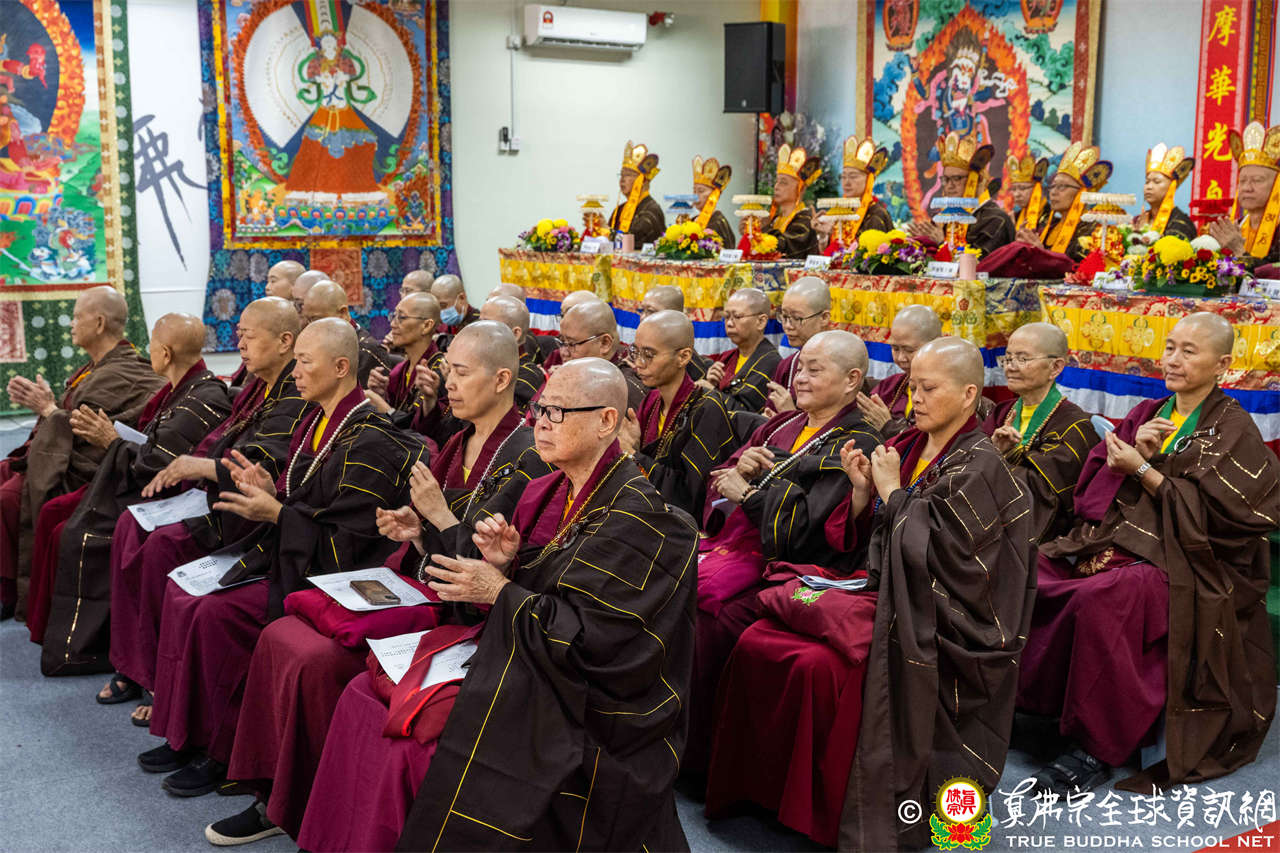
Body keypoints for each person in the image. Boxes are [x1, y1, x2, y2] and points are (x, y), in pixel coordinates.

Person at [295, 358, 698, 852]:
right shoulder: (546, 489)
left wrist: (499, 589)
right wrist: (504, 566)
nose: (541, 423)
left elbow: (594, 642)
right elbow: (543, 594)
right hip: (529, 657)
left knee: (415, 742)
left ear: (606, 421)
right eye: (540, 410)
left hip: (588, 702)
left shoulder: (646, 521)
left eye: (557, 412)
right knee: (362, 694)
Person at [205, 321, 550, 845]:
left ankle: (297, 802)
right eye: (448, 371)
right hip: (420, 580)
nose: (448, 384)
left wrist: (437, 518)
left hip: (463, 608)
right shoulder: (458, 440)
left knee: (314, 661)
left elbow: (495, 564)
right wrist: (415, 529)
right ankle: (273, 791)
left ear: (502, 379)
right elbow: (433, 534)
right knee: (282, 634)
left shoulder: (524, 456)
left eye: (461, 373)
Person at [715, 337, 1034, 850]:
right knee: (759, 640)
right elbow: (869, 539)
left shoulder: (981, 467)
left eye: (929, 389)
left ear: (969, 394)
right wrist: (864, 493)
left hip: (935, 616)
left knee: (817, 666)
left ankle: (834, 811)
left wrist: (891, 494)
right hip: (881, 591)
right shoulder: (906, 444)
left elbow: (953, 564)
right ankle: (766, 797)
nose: (915, 399)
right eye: (912, 388)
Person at [137, 319, 424, 798]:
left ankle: (223, 754)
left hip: (327, 574)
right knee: (195, 600)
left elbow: (352, 540)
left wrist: (277, 512)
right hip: (290, 554)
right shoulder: (316, 421)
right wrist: (275, 494)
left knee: (217, 615)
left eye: (305, 362)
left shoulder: (371, 440)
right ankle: (197, 738)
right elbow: (308, 502)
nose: (295, 373)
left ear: (340, 367)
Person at [1018, 313, 1278, 797]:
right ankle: (1036, 710)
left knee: (1109, 599)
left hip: (1189, 562)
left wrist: (1143, 470)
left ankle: (1094, 747)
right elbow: (1090, 495)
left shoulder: (1234, 429)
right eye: (1170, 347)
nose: (1173, 360)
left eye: (1189, 351)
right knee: (1029, 570)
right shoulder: (1147, 412)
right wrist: (1130, 455)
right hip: (1114, 540)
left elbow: (1232, 519)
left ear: (1222, 364)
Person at [102, 297, 311, 725]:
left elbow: (265, 462)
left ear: (285, 341)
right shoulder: (257, 385)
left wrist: (201, 467)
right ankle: (136, 667)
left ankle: (160, 682)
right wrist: (195, 465)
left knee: (160, 547)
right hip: (215, 496)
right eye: (239, 335)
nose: (241, 345)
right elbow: (223, 437)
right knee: (130, 523)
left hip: (247, 516)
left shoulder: (296, 392)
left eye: (249, 336)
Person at [689, 331, 882, 773]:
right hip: (733, 546)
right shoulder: (780, 425)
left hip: (789, 569)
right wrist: (739, 471)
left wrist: (750, 495)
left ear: (852, 380)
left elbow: (813, 531)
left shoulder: (857, 444)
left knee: (711, 622)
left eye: (815, 369)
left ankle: (701, 757)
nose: (801, 378)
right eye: (800, 367)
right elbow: (721, 481)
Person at [34, 315, 232, 675]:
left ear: (166, 353)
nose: (147, 350)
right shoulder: (177, 389)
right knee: (62, 516)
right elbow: (155, 447)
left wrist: (112, 441)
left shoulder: (204, 396)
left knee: (80, 535)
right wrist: (114, 440)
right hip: (142, 482)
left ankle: (94, 649)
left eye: (152, 343)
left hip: (167, 494)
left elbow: (161, 464)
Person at [1, 286, 164, 619]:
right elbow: (71, 415)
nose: (71, 324)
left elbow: (88, 432)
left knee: (7, 499)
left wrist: (49, 409)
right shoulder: (97, 367)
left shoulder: (126, 371)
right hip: (59, 453)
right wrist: (50, 406)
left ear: (100, 323)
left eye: (77, 317)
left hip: (84, 468)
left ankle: (10, 592)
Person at [982, 322, 1099, 543]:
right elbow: (968, 465)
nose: (1010, 367)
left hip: (1037, 536)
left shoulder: (1075, 426)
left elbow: (1042, 495)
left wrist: (999, 460)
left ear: (1055, 367)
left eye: (1022, 359)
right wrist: (995, 451)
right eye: (1008, 358)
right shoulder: (1001, 413)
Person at [620, 310, 737, 516]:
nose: (638, 363)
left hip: (683, 521)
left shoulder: (706, 408)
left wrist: (633, 455)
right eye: (635, 352)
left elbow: (693, 495)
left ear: (683, 357)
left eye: (649, 355)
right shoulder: (651, 401)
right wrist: (635, 448)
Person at [909, 131, 1016, 257]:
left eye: (957, 178)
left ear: (978, 180)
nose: (949, 186)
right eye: (946, 179)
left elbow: (981, 264)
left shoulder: (995, 220)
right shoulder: (947, 217)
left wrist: (941, 243)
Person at [364, 292, 448, 436]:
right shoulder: (399, 371)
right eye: (394, 316)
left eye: (401, 318)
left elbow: (424, 433)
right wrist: (381, 395)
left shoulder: (439, 371)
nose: (392, 324)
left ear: (426, 325)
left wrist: (386, 409)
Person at [1015, 142, 1113, 262]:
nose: (1053, 192)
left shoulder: (1094, 231)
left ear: (1080, 193)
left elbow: (1080, 269)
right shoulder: (1048, 226)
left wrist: (1041, 253)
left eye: (1061, 187)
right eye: (1052, 186)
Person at [856, 304, 942, 437]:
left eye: (909, 350)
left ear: (935, 344)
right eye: (895, 349)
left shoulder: (945, 392)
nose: (901, 358)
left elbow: (935, 441)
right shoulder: (890, 386)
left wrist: (888, 427)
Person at [547, 299, 646, 413]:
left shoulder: (623, 391)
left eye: (572, 344)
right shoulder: (573, 376)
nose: (564, 353)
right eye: (561, 341)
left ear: (604, 343)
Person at [1207, 121, 1280, 269]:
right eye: (1242, 181)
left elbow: (1275, 273)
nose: (1247, 188)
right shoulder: (1236, 227)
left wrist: (1239, 251)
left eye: (1257, 180)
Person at [300, 280, 397, 386]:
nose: (311, 327)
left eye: (316, 320)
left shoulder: (368, 352)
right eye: (308, 320)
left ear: (343, 313)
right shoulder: (317, 346)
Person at [701, 288, 781, 414]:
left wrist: (710, 391)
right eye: (727, 317)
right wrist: (712, 383)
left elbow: (747, 414)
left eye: (737, 316)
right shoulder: (727, 358)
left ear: (761, 321)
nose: (729, 323)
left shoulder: (771, 363)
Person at [817, 136, 893, 254]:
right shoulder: (839, 212)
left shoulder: (876, 215)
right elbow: (828, 254)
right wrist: (823, 236)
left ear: (868, 180)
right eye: (843, 177)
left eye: (853, 176)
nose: (846, 182)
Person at [768, 276, 831, 408]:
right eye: (784, 316)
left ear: (824, 318)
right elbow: (770, 413)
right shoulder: (787, 366)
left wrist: (789, 415)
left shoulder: (840, 364)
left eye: (797, 318)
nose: (787, 326)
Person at [478, 295, 546, 408]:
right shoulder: (483, 361)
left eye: (487, 325)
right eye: (478, 323)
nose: (477, 331)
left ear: (515, 334)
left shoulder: (528, 375)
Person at [637, 285, 711, 380]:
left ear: (674, 316)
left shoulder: (696, 370)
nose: (643, 317)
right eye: (642, 310)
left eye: (650, 311)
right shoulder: (633, 354)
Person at [764, 144, 821, 258]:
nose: (776, 187)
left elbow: (785, 247)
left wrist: (764, 228)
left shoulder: (806, 220)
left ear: (800, 189)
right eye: (776, 181)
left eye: (783, 182)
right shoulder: (776, 220)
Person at [608, 140, 665, 248]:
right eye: (621, 175)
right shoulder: (619, 210)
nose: (622, 179)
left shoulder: (651, 210)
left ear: (642, 181)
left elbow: (635, 240)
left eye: (628, 175)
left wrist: (607, 232)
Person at [1132, 143, 1196, 239]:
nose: (1149, 187)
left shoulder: (1180, 223)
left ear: (1171, 186)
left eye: (1156, 181)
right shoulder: (1139, 220)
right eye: (1147, 182)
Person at [538, 289, 602, 373]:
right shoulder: (557, 355)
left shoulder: (604, 358)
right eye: (562, 315)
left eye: (572, 344)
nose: (563, 321)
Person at [692, 155, 735, 247]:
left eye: (701, 191)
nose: (695, 195)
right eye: (694, 191)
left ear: (714, 194)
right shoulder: (692, 220)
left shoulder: (719, 222)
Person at [1007, 153, 1050, 232]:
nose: (1016, 194)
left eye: (1023, 188)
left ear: (1037, 188)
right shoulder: (1016, 216)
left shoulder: (1050, 215)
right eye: (1013, 189)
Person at [430, 273, 477, 342]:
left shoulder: (478, 322)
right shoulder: (447, 325)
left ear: (462, 298)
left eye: (443, 305)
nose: (440, 312)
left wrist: (442, 340)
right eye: (437, 307)